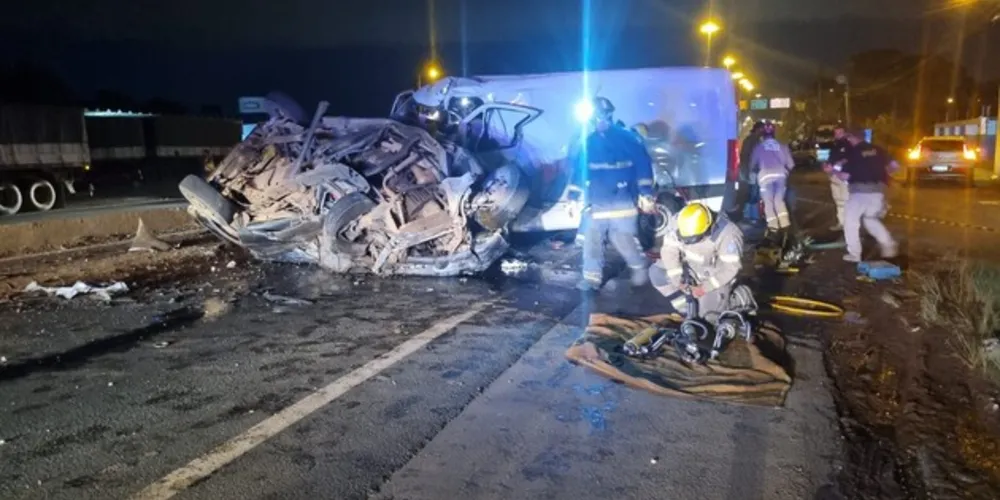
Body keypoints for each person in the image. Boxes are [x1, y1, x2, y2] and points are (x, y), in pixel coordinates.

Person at [569, 96, 655, 291]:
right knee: (591, 241)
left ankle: (639, 266)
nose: (600, 121)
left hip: (621, 201)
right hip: (597, 202)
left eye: (603, 117)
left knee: (623, 239)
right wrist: (573, 197)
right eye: (597, 118)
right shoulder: (588, 142)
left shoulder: (627, 138)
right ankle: (591, 280)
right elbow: (579, 171)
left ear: (609, 116)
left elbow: (643, 166)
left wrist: (645, 193)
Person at [648, 202, 745, 322]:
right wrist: (677, 280)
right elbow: (669, 250)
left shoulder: (728, 234)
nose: (687, 242)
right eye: (684, 239)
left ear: (707, 229)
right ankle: (687, 309)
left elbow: (730, 269)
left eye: (692, 239)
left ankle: (739, 299)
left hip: (714, 274)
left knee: (708, 318)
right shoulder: (679, 222)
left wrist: (704, 288)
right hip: (691, 266)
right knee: (656, 273)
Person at [825, 128, 899, 262]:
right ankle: (889, 245)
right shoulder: (878, 149)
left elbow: (845, 175)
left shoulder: (852, 153)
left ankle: (854, 254)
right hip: (878, 192)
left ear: (851, 138)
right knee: (870, 219)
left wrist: (832, 172)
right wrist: (881, 173)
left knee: (850, 223)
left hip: (859, 193)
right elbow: (894, 166)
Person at [749, 121, 795, 237]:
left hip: (765, 178)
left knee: (768, 203)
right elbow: (791, 165)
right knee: (779, 201)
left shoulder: (759, 147)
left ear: (763, 135)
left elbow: (752, 165)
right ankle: (785, 227)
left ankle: (773, 229)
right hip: (780, 177)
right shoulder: (782, 146)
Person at [731, 121, 765, 219]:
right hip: (751, 170)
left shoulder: (753, 139)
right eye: (761, 129)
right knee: (753, 193)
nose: (762, 132)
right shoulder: (753, 140)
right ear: (758, 129)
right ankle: (751, 216)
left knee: (751, 193)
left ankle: (749, 215)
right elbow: (748, 156)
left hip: (749, 170)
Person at [824, 125, 852, 231]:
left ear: (844, 133)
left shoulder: (848, 144)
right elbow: (831, 159)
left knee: (846, 200)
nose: (837, 135)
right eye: (836, 133)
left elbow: (850, 157)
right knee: (838, 201)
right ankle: (841, 223)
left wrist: (839, 163)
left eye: (839, 132)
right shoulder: (835, 145)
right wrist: (827, 166)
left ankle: (849, 224)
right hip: (834, 177)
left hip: (844, 176)